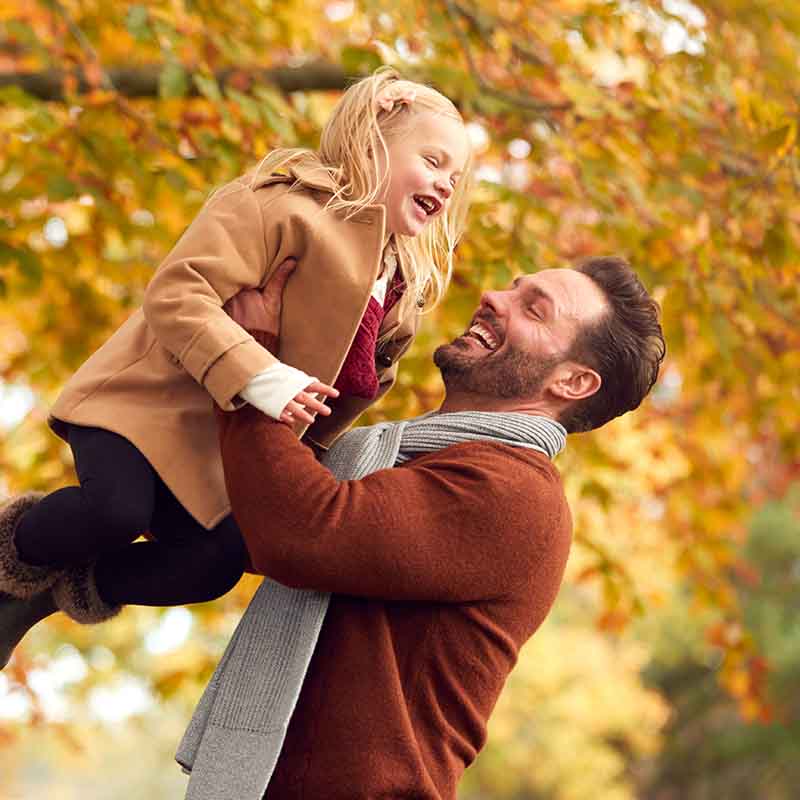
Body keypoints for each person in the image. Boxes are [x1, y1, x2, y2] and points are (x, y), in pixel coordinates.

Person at [0, 67, 473, 667]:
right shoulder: (280, 206)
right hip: (142, 405)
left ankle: (50, 595)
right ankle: (12, 554)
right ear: (372, 142)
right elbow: (177, 293)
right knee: (117, 510)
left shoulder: (399, 287)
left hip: (212, 452)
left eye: (455, 177)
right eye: (432, 161)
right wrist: (260, 373)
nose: (445, 184)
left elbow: (343, 395)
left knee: (215, 562)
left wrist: (297, 469)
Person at [178, 255, 666, 799]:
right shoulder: (411, 457)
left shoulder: (515, 495)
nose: (493, 298)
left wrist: (251, 366)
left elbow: (303, 528)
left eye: (534, 309)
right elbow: (253, 517)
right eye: (512, 286)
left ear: (572, 381)